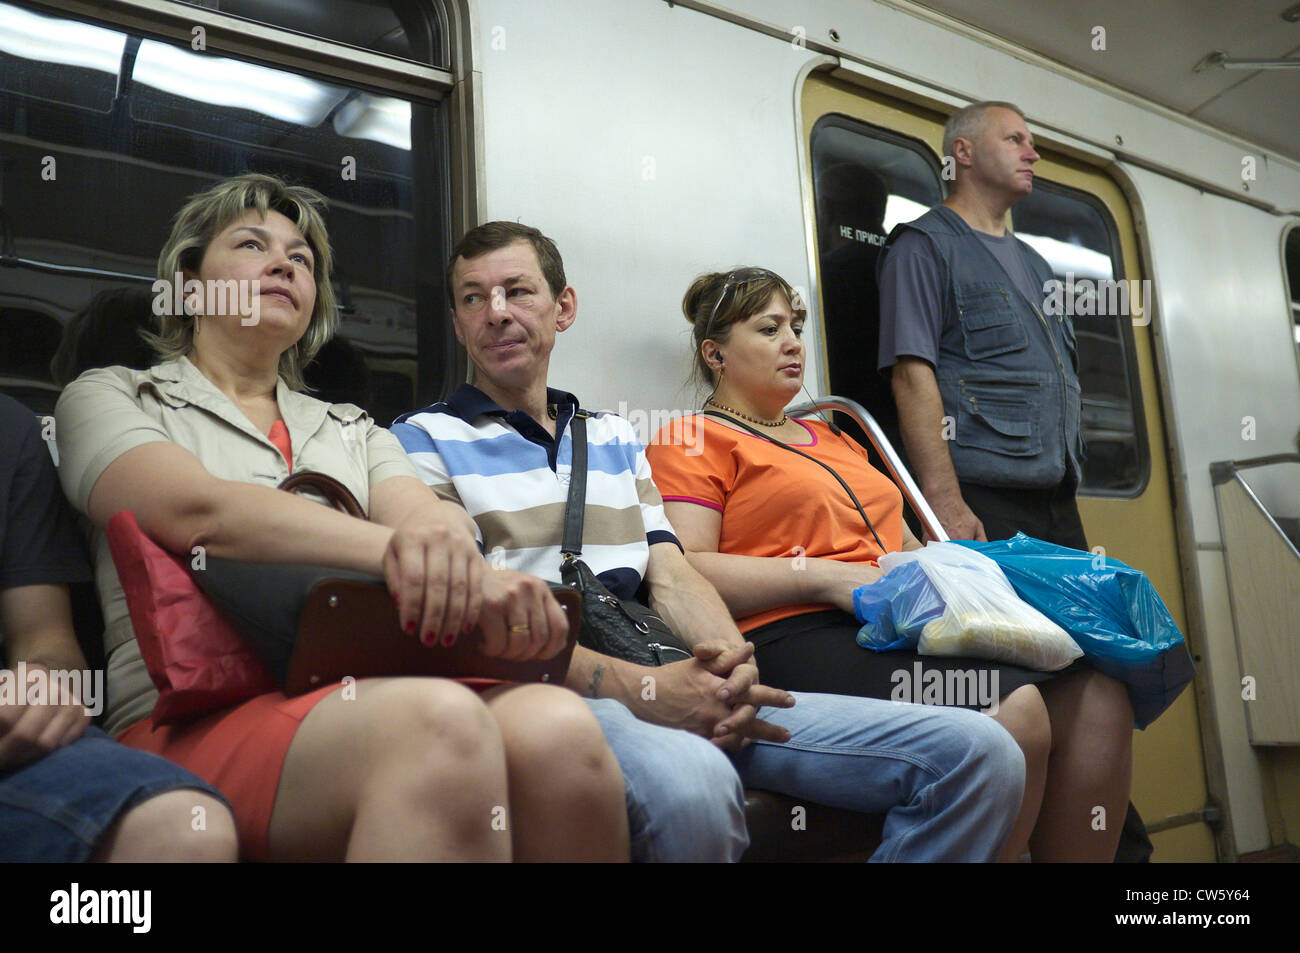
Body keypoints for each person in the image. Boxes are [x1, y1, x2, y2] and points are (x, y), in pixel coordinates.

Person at [391, 221, 1028, 863]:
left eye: (516, 291)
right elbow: (469, 607)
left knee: (980, 757)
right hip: (553, 682)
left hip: (664, 661)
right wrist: (645, 688)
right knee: (697, 786)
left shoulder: (609, 435)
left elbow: (670, 571)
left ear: (564, 308)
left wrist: (730, 666)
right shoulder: (421, 439)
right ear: (456, 321)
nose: (496, 314)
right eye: (474, 299)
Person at [54, 174, 628, 862]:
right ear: (188, 280)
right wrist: (392, 552)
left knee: (560, 728)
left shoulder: (353, 429)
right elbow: (198, 511)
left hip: (358, 685)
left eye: (301, 258)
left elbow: (433, 522)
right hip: (191, 708)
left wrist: (452, 557)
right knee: (437, 723)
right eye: (251, 244)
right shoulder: (113, 397)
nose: (283, 265)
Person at [646, 265, 1135, 861]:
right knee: (1016, 707)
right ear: (715, 354)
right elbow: (685, 568)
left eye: (795, 327)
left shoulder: (837, 439)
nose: (793, 342)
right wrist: (827, 578)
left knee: (1097, 697)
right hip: (790, 631)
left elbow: (904, 546)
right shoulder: (692, 439)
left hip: (891, 621)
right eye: (769, 329)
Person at [1, 392, 238, 861]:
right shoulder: (109, 398)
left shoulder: (10, 428)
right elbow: (200, 513)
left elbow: (45, 638)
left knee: (182, 829)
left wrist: (41, 687)